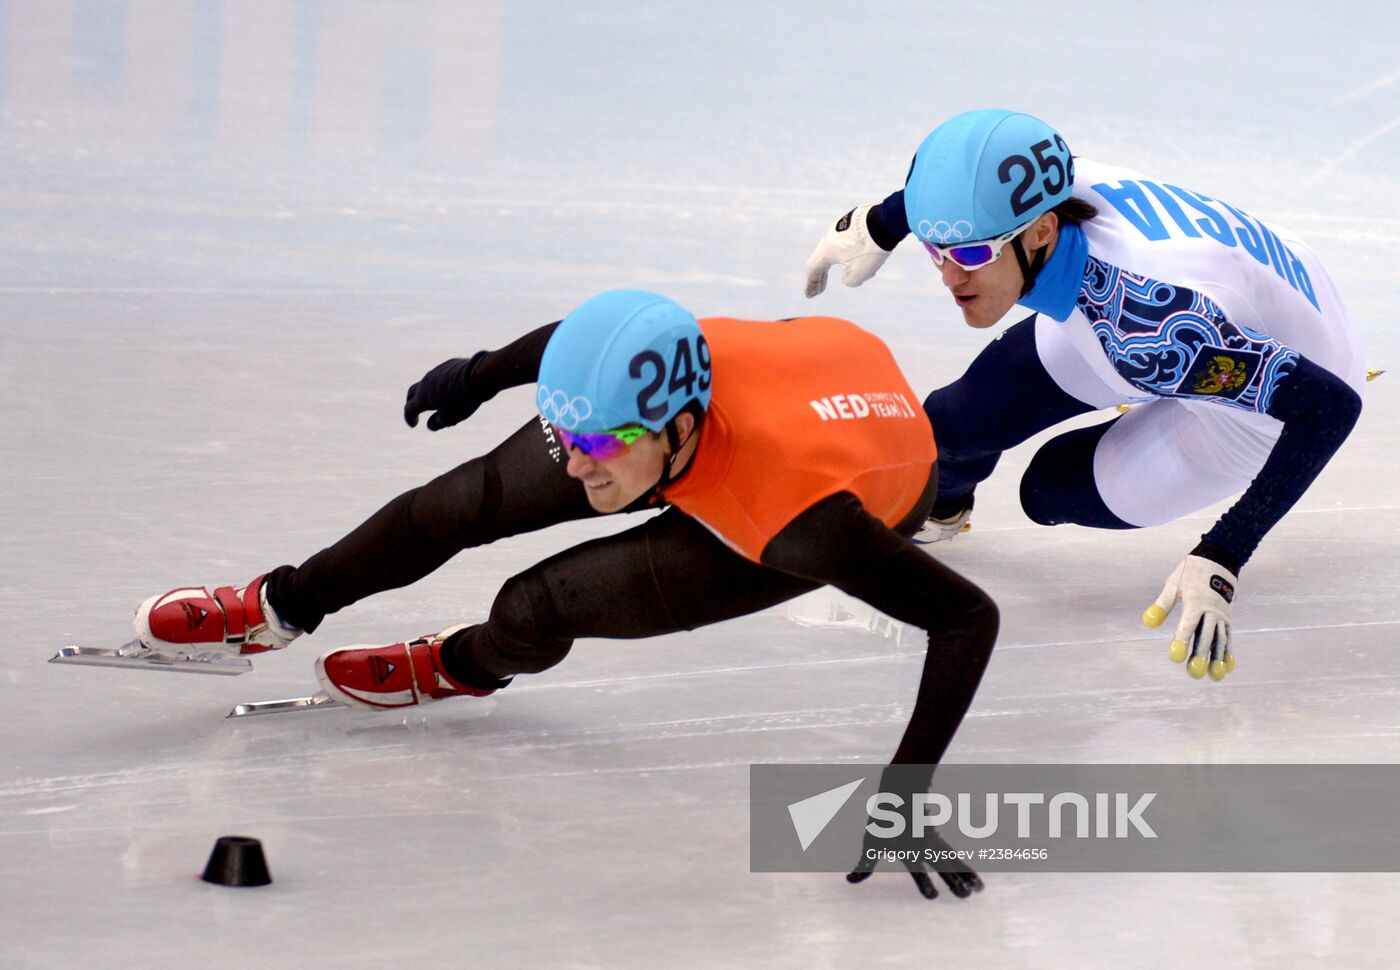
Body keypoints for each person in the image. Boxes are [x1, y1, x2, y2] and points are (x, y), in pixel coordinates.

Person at [133, 289, 998, 900]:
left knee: (538, 605)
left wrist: (904, 793)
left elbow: (967, 616)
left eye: (598, 445)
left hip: (858, 474)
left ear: (681, 429)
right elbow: (585, 339)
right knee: (458, 503)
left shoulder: (798, 517)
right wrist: (479, 374)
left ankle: (463, 666)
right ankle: (280, 606)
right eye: (569, 436)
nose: (577, 465)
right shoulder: (632, 389)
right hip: (800, 360)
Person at [803, 108, 1365, 683]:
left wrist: (1224, 555)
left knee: (1048, 490)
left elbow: (1332, 408)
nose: (951, 277)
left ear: (1043, 230)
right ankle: (945, 511)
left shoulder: (1151, 327)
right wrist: (877, 224)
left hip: (1264, 399)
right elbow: (946, 200)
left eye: (971, 255)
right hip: (1236, 307)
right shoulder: (1031, 188)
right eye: (936, 251)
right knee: (947, 426)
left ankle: (1171, 392)